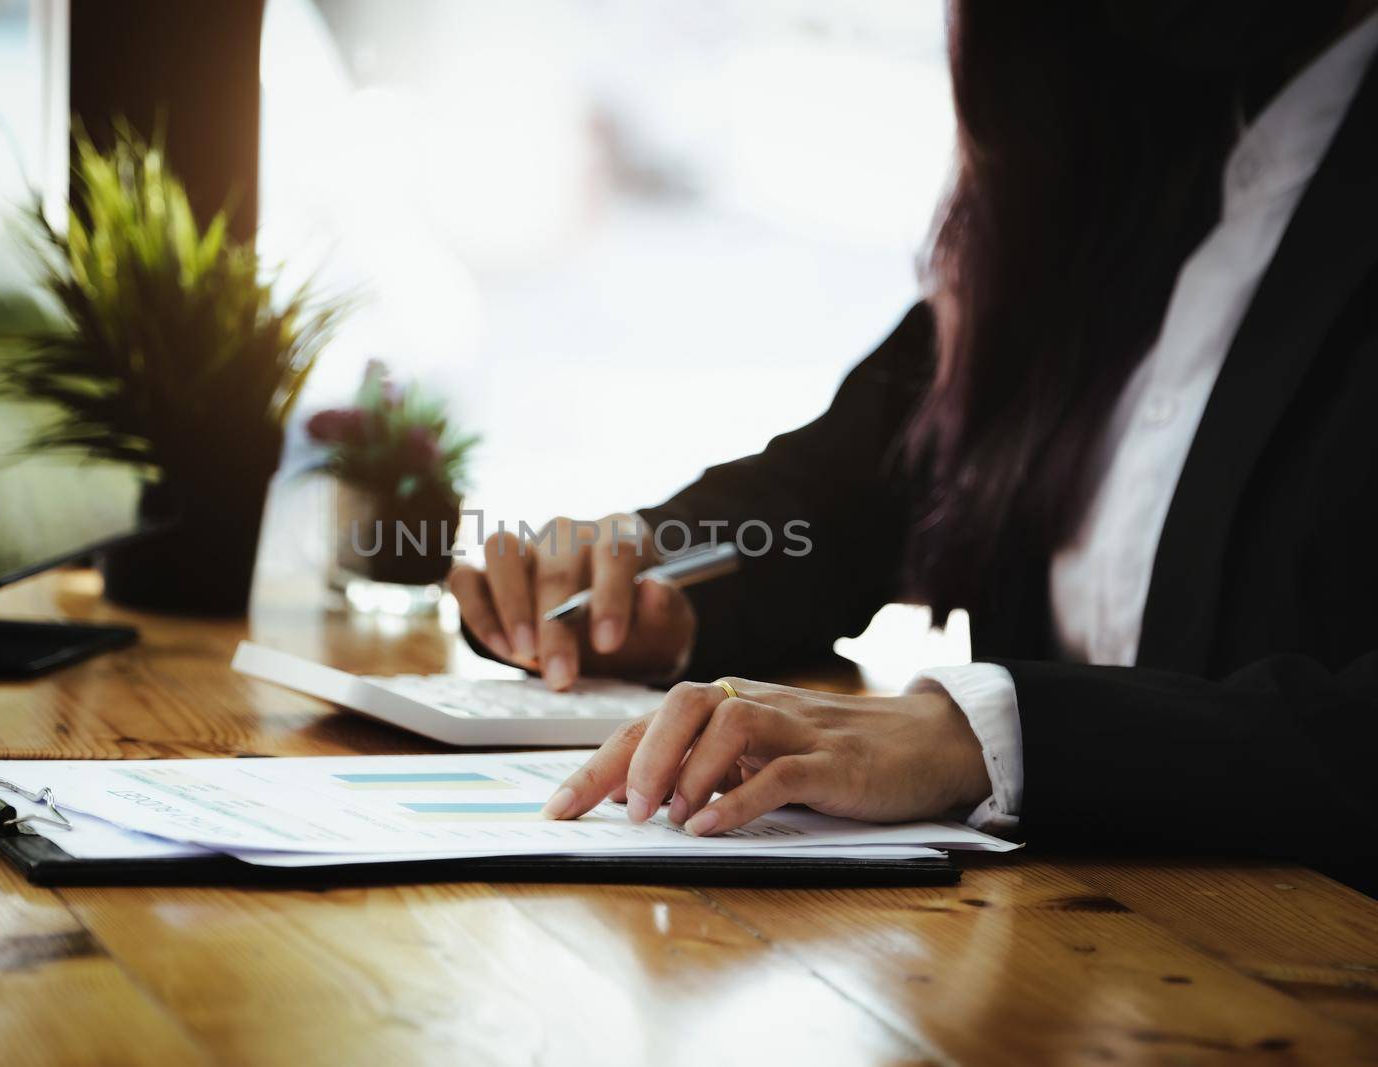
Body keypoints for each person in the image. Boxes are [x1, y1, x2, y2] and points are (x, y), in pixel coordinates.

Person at [448, 0, 1378, 890]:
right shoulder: (1120, 169)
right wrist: (652, 577)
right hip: (1037, 958)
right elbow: (845, 490)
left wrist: (982, 734)